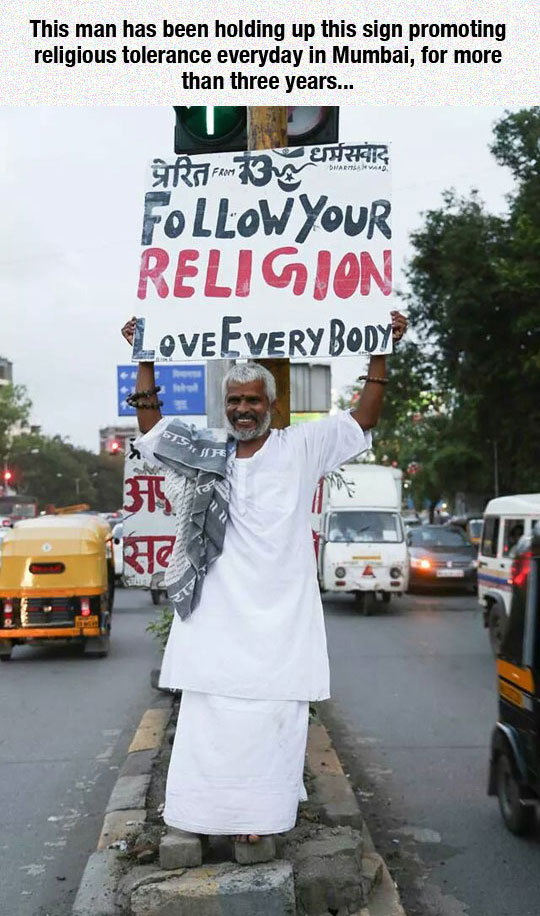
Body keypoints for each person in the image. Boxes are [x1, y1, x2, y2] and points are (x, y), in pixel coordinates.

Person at [121, 311, 407, 847]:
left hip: (281, 620)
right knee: (211, 715)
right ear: (224, 406)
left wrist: (381, 349)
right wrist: (145, 352)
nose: (243, 409)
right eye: (234, 401)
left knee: (273, 716)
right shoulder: (207, 451)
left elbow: (362, 418)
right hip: (215, 617)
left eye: (253, 400)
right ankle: (202, 816)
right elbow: (151, 427)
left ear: (272, 406)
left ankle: (260, 819)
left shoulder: (301, 448)